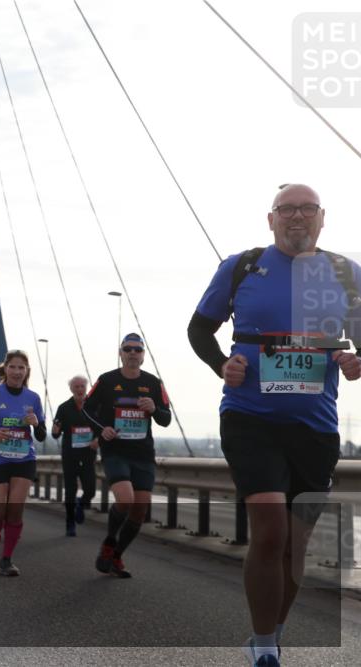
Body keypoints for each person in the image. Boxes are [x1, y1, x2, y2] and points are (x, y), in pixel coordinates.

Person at [187, 183, 360, 667]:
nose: (297, 216)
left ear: (322, 218)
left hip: (315, 427)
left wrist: (355, 361)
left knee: (295, 545)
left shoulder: (346, 274)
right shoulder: (241, 266)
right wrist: (222, 364)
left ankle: (272, 632)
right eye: (287, 209)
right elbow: (199, 329)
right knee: (269, 532)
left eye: (307, 208)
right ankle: (264, 648)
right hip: (250, 419)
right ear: (271, 219)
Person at [83, 333, 171, 580]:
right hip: (115, 451)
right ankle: (109, 542)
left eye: (137, 350)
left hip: (143, 454)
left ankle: (116, 556)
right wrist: (102, 429)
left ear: (143, 355)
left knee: (139, 509)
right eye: (128, 349)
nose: (132, 353)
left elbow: (166, 419)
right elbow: (87, 408)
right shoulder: (107, 380)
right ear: (120, 353)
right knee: (125, 498)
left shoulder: (153, 383)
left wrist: (154, 409)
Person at [0, 350, 46, 577]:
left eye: (21, 368)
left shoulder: (33, 398)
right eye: (12, 367)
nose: (16, 372)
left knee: (15, 512)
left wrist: (36, 424)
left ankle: (7, 559)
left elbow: (42, 435)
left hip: (24, 460)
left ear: (27, 371)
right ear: (5, 369)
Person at [51, 375, 98, 537]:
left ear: (86, 388)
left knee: (90, 490)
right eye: (76, 387)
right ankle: (70, 524)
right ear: (71, 389)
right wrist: (55, 430)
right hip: (70, 455)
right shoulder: (64, 408)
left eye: (82, 386)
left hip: (88, 454)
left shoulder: (94, 406)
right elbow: (55, 433)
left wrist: (98, 440)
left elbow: (102, 427)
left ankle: (81, 504)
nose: (79, 389)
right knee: (70, 491)